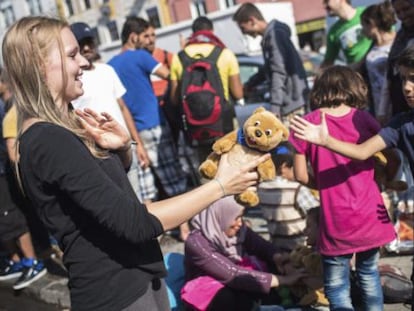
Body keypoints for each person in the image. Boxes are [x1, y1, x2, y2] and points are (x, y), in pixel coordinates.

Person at [3, 15, 268, 310]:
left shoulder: (62, 128)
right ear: (39, 65)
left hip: (136, 283)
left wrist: (122, 150)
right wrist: (220, 186)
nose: (84, 64)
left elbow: (104, 198)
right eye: (72, 55)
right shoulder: (48, 140)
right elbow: (135, 223)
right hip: (117, 295)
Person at [290, 45, 414, 302]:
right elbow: (381, 154)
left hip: (335, 219)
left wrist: (323, 182)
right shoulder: (368, 120)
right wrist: (387, 180)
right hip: (369, 214)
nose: (406, 86)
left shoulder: (306, 124)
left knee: (336, 284)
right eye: (404, 79)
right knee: (369, 273)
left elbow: (301, 176)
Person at [108, 16, 190, 240]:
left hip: (132, 133)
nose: (148, 41)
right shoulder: (141, 56)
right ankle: (184, 228)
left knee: (145, 188)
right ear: (133, 36)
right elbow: (171, 74)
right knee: (172, 178)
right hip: (154, 124)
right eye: (144, 36)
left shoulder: (110, 65)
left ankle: (152, 233)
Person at [69, 21, 150, 199]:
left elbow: (122, 107)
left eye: (90, 42)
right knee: (118, 202)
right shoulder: (74, 80)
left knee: (137, 198)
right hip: (99, 152)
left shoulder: (107, 70)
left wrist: (138, 144)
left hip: (126, 146)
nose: (88, 47)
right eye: (82, 44)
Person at [181, 196, 305, 311]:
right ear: (221, 215)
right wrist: (284, 280)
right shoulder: (197, 243)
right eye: (235, 218)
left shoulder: (241, 230)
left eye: (241, 216)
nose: (240, 223)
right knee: (228, 297)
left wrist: (280, 259)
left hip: (235, 281)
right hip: (209, 291)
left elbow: (263, 247)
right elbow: (232, 274)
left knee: (266, 277)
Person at [170, 16, 244, 167]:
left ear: (193, 33)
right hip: (223, 123)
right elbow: (238, 94)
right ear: (211, 32)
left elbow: (174, 99)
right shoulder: (225, 53)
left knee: (207, 168)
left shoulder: (179, 57)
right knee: (231, 164)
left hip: (195, 126)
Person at [0, 76, 47, 290]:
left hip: (7, 173)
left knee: (13, 218)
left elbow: (13, 151)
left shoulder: (14, 107)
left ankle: (32, 261)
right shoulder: (7, 106)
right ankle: (18, 260)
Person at [232, 2, 309, 122]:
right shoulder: (270, 37)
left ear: (252, 21)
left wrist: (275, 108)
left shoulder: (274, 35)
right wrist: (250, 84)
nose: (243, 32)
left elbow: (278, 72)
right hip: (292, 102)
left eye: (243, 27)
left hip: (292, 106)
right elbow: (269, 69)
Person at [258, 142, 320, 251]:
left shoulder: (262, 188)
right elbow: (317, 215)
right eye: (294, 168)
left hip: (277, 247)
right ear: (284, 167)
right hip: (301, 248)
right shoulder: (296, 189)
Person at [359, 1, 396, 123]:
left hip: (394, 102)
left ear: (371, 24)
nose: (362, 31)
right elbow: (359, 66)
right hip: (377, 103)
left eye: (363, 25)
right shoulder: (372, 46)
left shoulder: (397, 42)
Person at [384, 0, 414, 118]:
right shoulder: (401, 36)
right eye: (398, 12)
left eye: (406, 9)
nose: (402, 15)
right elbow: (390, 72)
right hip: (401, 106)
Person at [320, 0, 372, 67]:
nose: (325, 6)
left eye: (327, 1)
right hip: (358, 74)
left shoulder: (366, 14)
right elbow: (328, 62)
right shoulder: (333, 32)